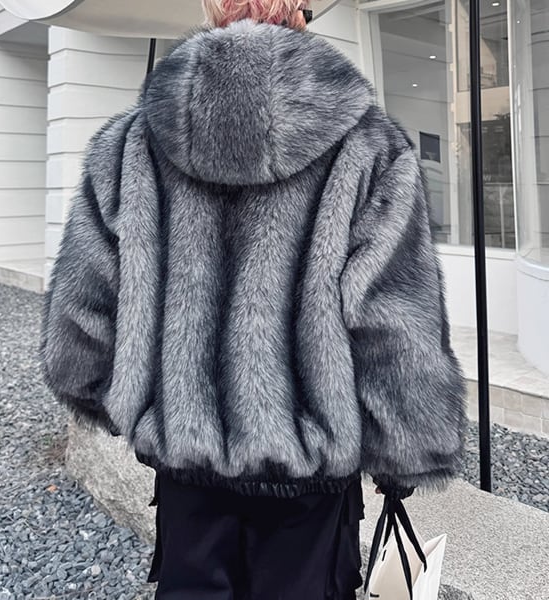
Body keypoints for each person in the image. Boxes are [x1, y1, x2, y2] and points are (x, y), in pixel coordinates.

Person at [39, 1, 467, 598]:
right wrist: (407, 448)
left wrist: (103, 394)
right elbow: (393, 321)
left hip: (185, 468)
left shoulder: (131, 143)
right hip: (311, 473)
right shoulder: (368, 146)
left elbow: (83, 305)